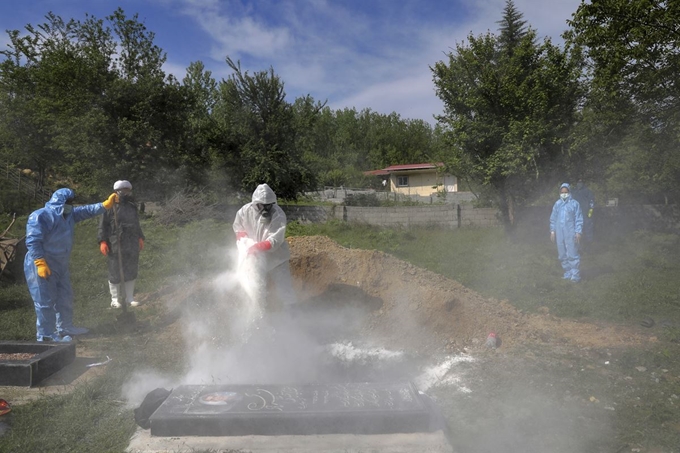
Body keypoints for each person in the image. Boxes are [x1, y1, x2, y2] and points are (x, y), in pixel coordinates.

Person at [24, 188, 118, 342]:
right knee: (45, 301)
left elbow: (88, 210)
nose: (70, 205)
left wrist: (105, 205)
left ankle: (65, 327)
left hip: (60, 264)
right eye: (68, 202)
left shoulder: (70, 215)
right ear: (59, 201)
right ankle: (46, 335)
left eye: (71, 202)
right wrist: (40, 262)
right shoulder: (41, 216)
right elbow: (33, 241)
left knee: (65, 297)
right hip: (42, 264)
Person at [233, 183, 297, 309]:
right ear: (255, 203)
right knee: (257, 288)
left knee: (285, 287)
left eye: (268, 205)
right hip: (255, 259)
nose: (265, 209)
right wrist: (242, 236)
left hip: (276, 258)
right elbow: (238, 226)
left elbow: (275, 239)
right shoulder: (245, 211)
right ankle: (259, 314)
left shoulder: (278, 214)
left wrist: (258, 247)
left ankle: (292, 314)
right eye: (262, 205)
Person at [98, 180, 145, 308]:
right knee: (115, 270)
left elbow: (136, 223)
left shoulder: (131, 206)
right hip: (114, 242)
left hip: (131, 241)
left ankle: (129, 298)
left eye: (127, 190)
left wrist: (140, 237)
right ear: (116, 192)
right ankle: (115, 300)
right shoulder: (109, 206)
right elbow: (102, 225)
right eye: (122, 190)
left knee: (131, 269)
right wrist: (102, 241)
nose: (125, 192)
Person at [550, 183, 584, 282]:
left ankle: (575, 274)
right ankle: (567, 272)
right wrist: (552, 231)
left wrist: (578, 232)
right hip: (559, 233)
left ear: (569, 192)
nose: (564, 194)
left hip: (570, 232)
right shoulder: (557, 204)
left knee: (572, 252)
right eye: (562, 192)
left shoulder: (575, 204)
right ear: (559, 192)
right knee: (562, 253)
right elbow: (553, 218)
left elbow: (579, 219)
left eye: (566, 192)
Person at [571, 179, 595, 246]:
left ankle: (589, 245)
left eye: (580, 182)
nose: (579, 183)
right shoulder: (573, 192)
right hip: (575, 214)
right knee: (576, 229)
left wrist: (590, 213)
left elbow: (592, 203)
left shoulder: (587, 191)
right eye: (578, 182)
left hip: (585, 214)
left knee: (587, 229)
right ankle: (577, 246)